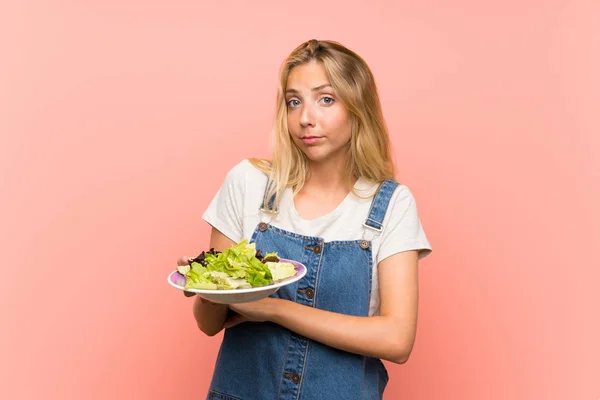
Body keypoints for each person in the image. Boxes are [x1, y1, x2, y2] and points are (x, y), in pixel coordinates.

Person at [178, 39, 432, 400]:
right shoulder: (248, 183)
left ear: (358, 108)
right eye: (293, 101)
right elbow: (208, 325)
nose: (305, 118)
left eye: (326, 99)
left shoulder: (390, 205)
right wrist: (207, 286)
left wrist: (275, 309)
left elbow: (396, 339)